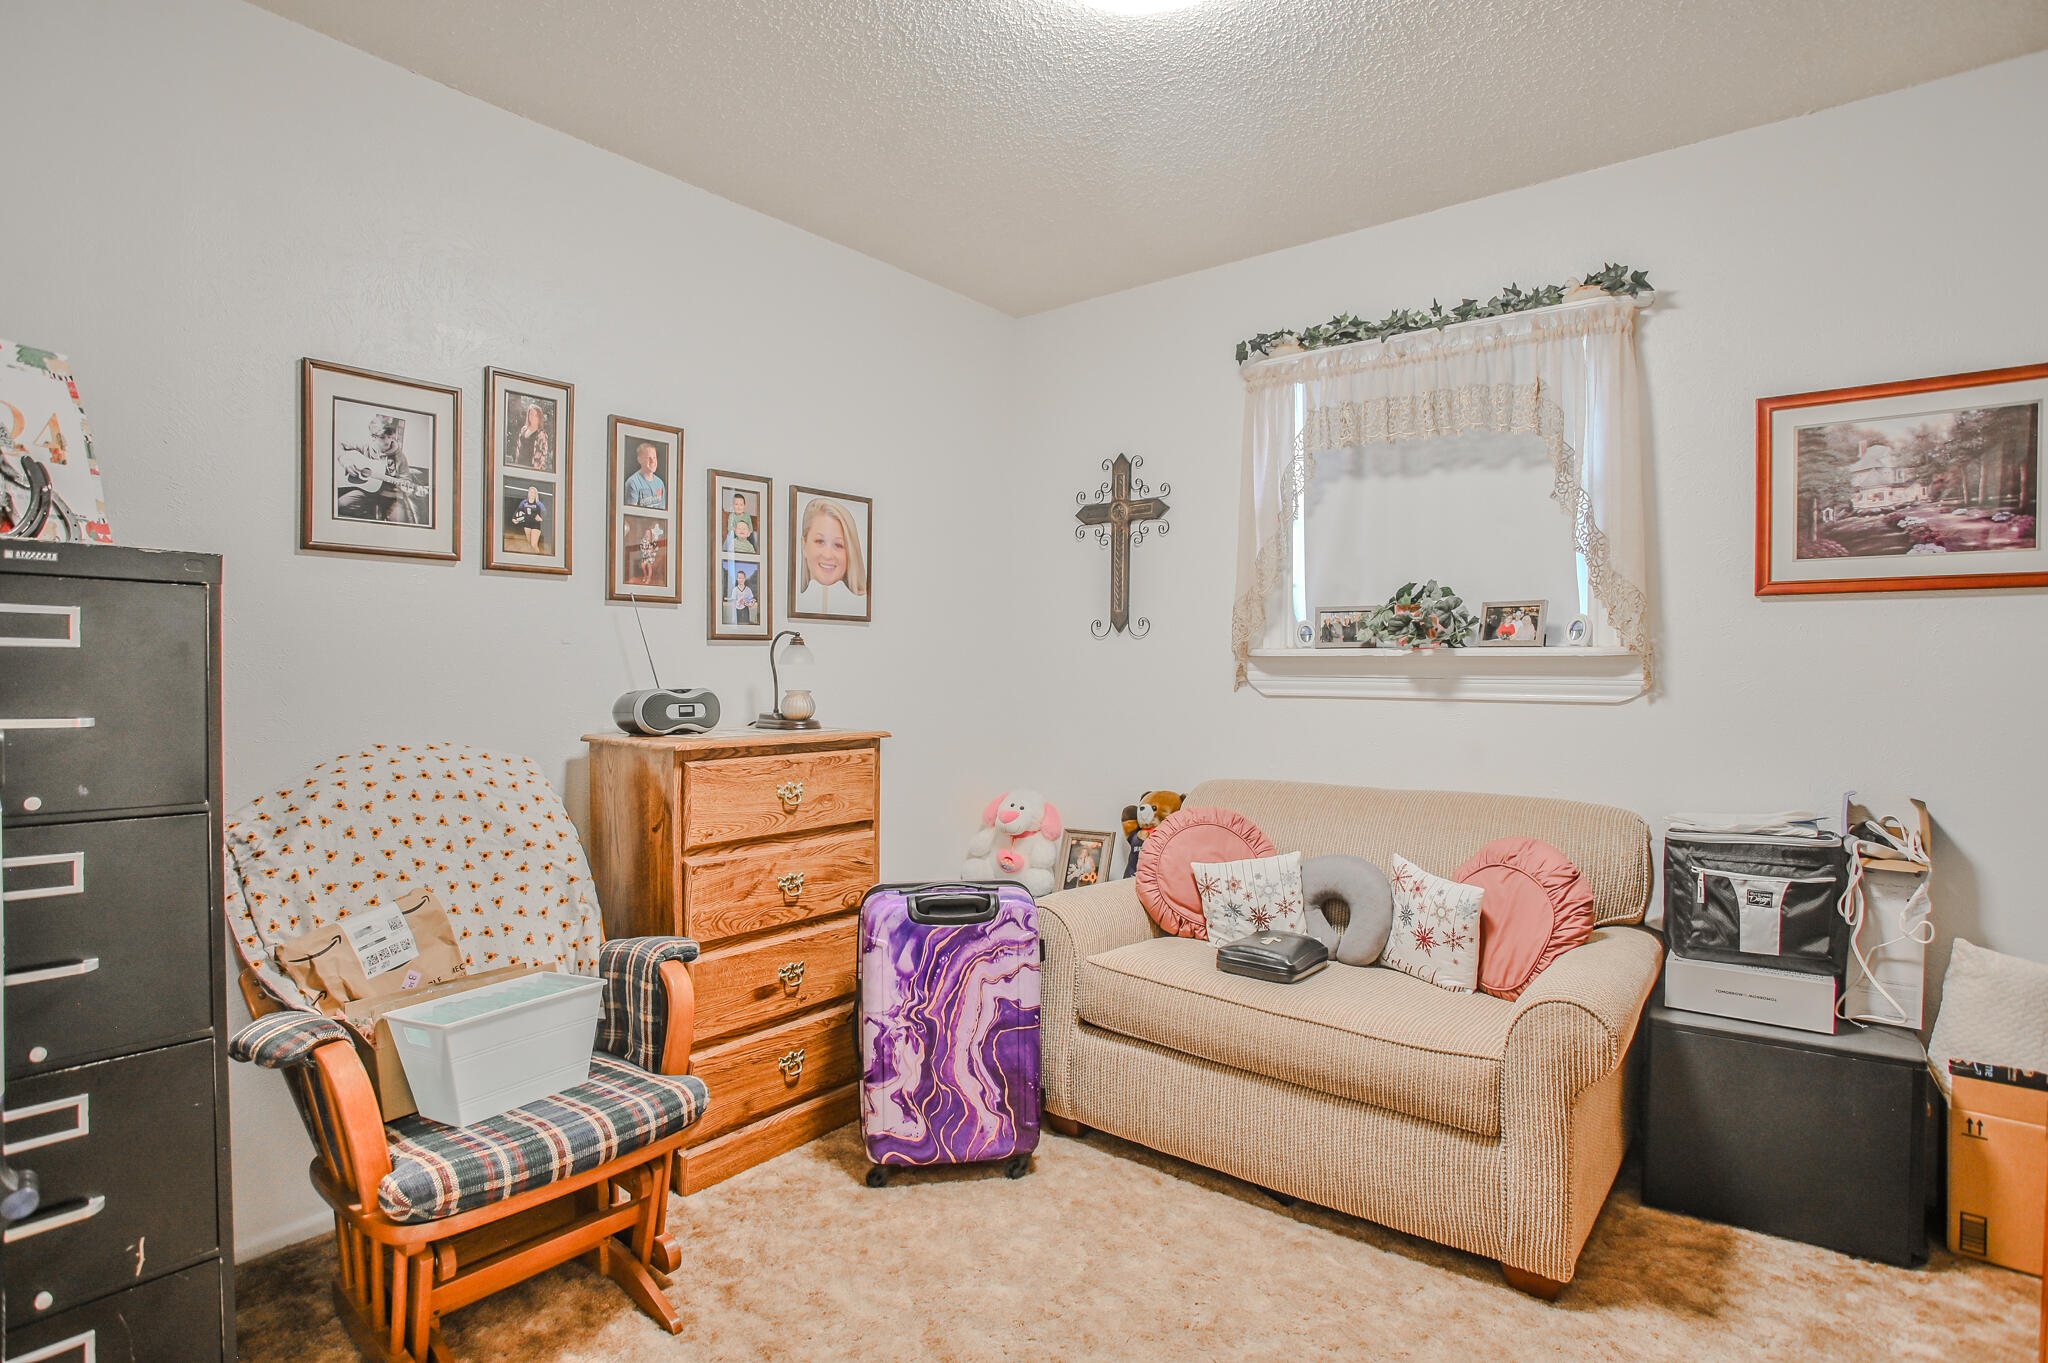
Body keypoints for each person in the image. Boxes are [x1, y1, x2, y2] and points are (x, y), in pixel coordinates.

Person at [336, 412, 422, 524]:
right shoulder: (365, 445)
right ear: (373, 437)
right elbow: (337, 443)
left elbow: (406, 479)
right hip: (366, 491)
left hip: (388, 496)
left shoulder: (399, 456)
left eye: (390, 435)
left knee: (400, 520)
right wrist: (345, 462)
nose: (387, 441)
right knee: (341, 504)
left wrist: (408, 487)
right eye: (382, 437)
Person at [794, 496, 868, 615]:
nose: (828, 555)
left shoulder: (861, 605)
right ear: (804, 545)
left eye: (838, 545)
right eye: (820, 541)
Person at [510, 401, 552, 472]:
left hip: (532, 468)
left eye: (535, 415)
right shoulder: (523, 429)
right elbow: (518, 448)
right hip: (520, 466)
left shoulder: (541, 434)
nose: (532, 417)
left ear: (539, 418)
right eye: (531, 414)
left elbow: (543, 456)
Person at [624, 442, 666, 510]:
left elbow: (663, 510)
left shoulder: (660, 483)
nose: (652, 461)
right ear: (639, 460)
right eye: (648, 458)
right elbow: (631, 515)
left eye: (654, 457)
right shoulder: (632, 483)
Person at [510, 485, 546, 553]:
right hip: (527, 524)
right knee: (530, 544)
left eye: (534, 493)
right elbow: (518, 510)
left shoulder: (539, 504)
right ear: (528, 493)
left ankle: (540, 557)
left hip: (536, 525)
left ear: (536, 494)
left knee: (533, 545)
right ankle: (533, 557)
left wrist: (541, 518)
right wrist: (514, 518)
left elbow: (545, 512)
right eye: (531, 492)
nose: (532, 494)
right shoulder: (524, 502)